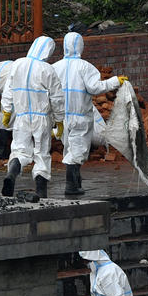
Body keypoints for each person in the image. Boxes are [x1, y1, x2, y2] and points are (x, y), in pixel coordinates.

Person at [52, 32, 126, 196]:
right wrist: (115, 81)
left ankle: (76, 182)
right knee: (78, 150)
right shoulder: (85, 67)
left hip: (62, 117)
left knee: (69, 148)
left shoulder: (55, 67)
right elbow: (95, 88)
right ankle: (71, 186)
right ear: (80, 46)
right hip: (80, 116)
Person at [0, 35, 65, 199]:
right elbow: (57, 98)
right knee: (41, 153)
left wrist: (6, 112)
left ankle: (11, 175)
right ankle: (41, 191)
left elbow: (8, 90)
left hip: (21, 117)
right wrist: (59, 120)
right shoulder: (47, 69)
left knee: (19, 150)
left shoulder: (17, 64)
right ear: (48, 51)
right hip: (41, 118)